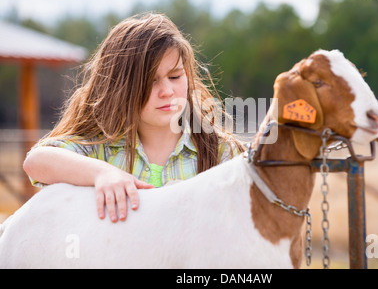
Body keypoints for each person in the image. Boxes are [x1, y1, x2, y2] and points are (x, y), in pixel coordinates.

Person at [23, 12, 244, 223]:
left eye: (175, 76)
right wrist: (103, 174)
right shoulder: (102, 148)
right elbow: (36, 162)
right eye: (150, 81)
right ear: (120, 88)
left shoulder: (220, 152)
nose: (167, 90)